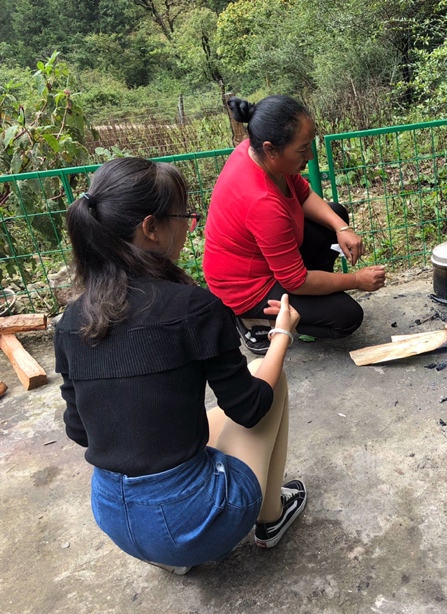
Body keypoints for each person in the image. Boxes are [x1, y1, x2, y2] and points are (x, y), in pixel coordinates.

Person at [54, 157, 306, 575]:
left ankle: (169, 554)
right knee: (272, 381)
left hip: (116, 521)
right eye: (184, 216)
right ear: (151, 227)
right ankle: (270, 516)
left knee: (195, 419)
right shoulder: (192, 307)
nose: (190, 227)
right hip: (192, 523)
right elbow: (250, 407)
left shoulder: (72, 319)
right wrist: (281, 336)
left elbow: (80, 430)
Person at [203, 94, 386, 353]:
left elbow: (303, 193)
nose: (310, 156)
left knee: (335, 214)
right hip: (246, 288)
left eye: (310, 144)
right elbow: (295, 281)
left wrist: (341, 228)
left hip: (267, 260)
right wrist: (355, 280)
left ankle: (310, 297)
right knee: (346, 317)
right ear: (271, 149)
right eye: (302, 150)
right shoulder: (261, 201)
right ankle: (255, 321)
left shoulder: (254, 152)